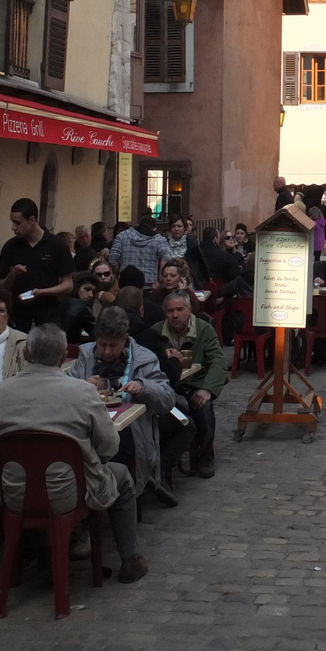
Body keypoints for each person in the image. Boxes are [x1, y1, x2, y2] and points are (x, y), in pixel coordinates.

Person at [0, 323, 149, 583]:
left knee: (32, 475)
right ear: (62, 358)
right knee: (122, 475)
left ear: (26, 354)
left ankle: (44, 554)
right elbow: (109, 446)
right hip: (68, 491)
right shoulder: (82, 393)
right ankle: (130, 559)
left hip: (14, 491)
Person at [66, 307, 179, 505]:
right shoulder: (85, 355)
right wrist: (81, 385)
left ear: (125, 339)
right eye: (102, 345)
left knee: (114, 451)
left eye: (113, 346)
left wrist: (144, 387)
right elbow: (65, 389)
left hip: (129, 430)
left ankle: (113, 501)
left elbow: (167, 399)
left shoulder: (144, 359)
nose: (107, 351)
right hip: (88, 428)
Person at [156, 291, 227, 479]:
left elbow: (218, 362)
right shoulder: (156, 332)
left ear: (189, 310)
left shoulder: (204, 329)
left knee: (203, 408)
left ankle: (205, 454)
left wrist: (207, 389)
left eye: (180, 310)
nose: (175, 315)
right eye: (171, 311)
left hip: (194, 384)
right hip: (168, 387)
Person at [0, 198, 75, 330]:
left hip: (48, 315)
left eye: (17, 223)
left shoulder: (56, 244)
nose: (13, 228)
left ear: (31, 220)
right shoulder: (11, 246)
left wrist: (42, 292)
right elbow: (1, 287)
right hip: (19, 316)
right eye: (12, 222)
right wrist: (13, 274)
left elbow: (68, 285)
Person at [109, 216, 169, 287]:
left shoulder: (122, 236)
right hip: (149, 284)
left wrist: (120, 272)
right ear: (154, 229)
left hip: (126, 283)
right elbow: (167, 257)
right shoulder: (159, 240)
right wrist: (160, 279)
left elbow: (112, 259)